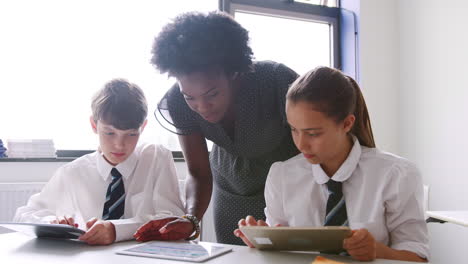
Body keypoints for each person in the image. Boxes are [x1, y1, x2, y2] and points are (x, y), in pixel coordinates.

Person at [135, 11, 299, 244]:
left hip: (290, 189)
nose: (202, 107)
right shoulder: (177, 103)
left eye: (212, 94)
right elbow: (198, 173)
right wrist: (191, 218)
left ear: (234, 73)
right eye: (190, 97)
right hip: (231, 193)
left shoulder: (275, 81)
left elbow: (316, 146)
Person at [234, 67, 429, 262]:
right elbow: (282, 255)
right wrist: (263, 241)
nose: (301, 144)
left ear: (346, 124)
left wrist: (376, 251)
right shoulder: (282, 176)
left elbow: (418, 258)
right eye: (294, 130)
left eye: (313, 133)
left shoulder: (397, 175)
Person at [14, 79, 185, 245]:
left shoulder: (157, 158)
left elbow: (172, 219)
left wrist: (116, 230)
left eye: (131, 134)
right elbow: (23, 215)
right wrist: (51, 222)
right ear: (94, 125)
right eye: (110, 133)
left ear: (143, 127)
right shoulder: (72, 172)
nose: (119, 145)